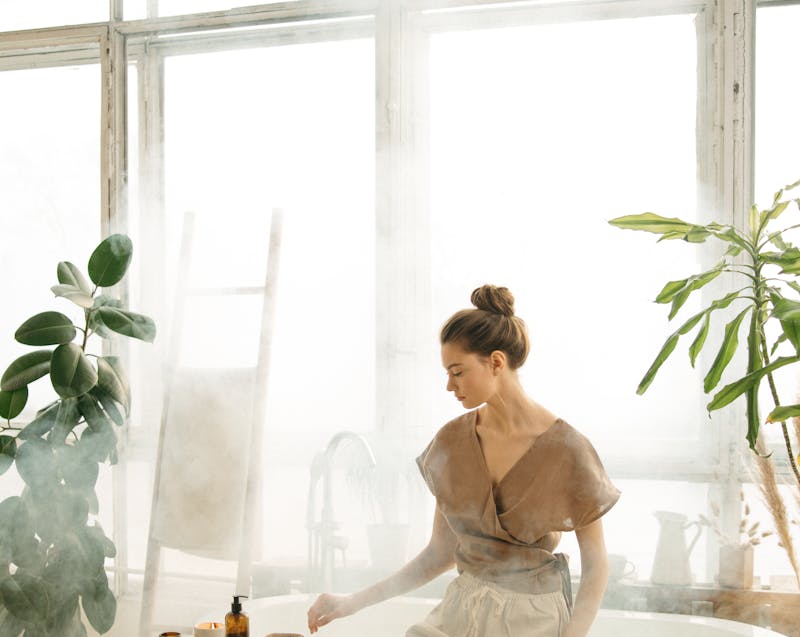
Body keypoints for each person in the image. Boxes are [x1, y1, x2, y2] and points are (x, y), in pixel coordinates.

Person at [307, 284, 620, 637]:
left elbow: (596, 567)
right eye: (447, 374)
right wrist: (352, 602)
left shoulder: (568, 450)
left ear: (496, 362)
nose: (449, 386)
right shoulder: (451, 442)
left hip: (533, 620)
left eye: (457, 372)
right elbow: (440, 553)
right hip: (462, 610)